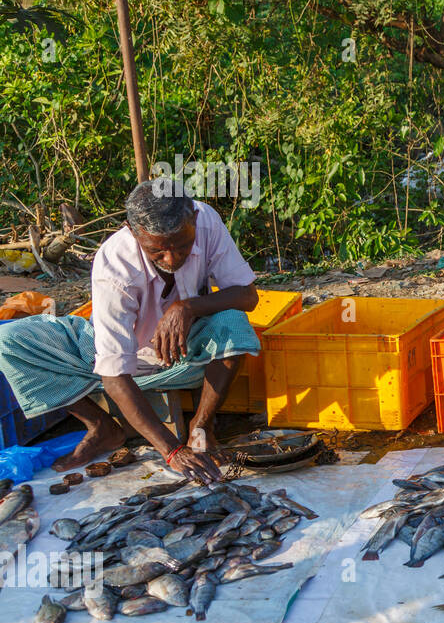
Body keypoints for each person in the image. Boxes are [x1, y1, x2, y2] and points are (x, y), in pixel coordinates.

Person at [0, 181, 262, 483]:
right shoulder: (114, 265)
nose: (172, 259)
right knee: (9, 341)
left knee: (233, 322)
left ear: (193, 218)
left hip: (187, 356)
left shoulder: (206, 219)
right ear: (132, 232)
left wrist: (186, 308)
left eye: (182, 245)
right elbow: (113, 375)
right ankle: (101, 427)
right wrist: (171, 450)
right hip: (111, 365)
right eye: (157, 251)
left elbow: (247, 296)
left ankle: (202, 426)